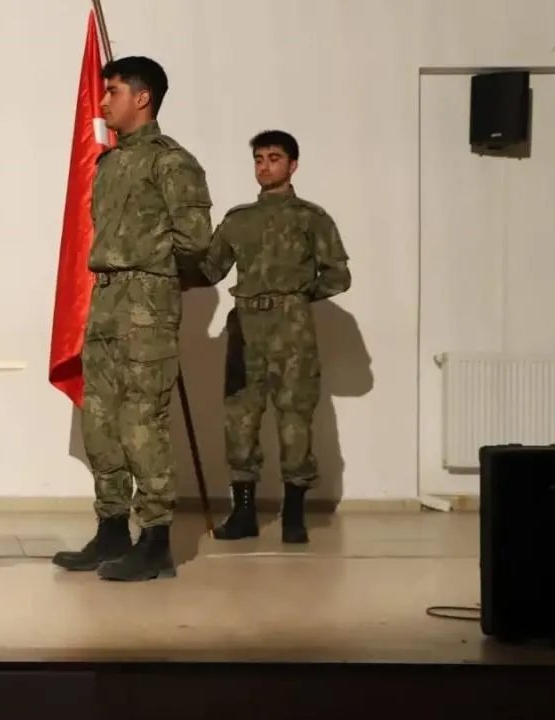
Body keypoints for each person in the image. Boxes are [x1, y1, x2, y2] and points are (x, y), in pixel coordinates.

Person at [52, 56, 214, 582]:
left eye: (114, 91)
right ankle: (112, 529)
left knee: (143, 420)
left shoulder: (173, 162)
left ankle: (157, 540)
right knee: (100, 419)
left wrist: (155, 278)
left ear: (142, 98)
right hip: (106, 300)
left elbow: (196, 243)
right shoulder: (110, 164)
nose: (103, 101)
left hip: (146, 302)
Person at [198, 130, 351, 544]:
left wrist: (296, 298)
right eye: (259, 159)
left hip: (291, 331)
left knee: (294, 419)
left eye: (274, 158)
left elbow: (338, 275)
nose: (265, 166)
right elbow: (210, 270)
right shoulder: (238, 220)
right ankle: (243, 514)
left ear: (293, 165)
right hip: (245, 329)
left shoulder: (312, 218)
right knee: (239, 419)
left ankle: (293, 516)